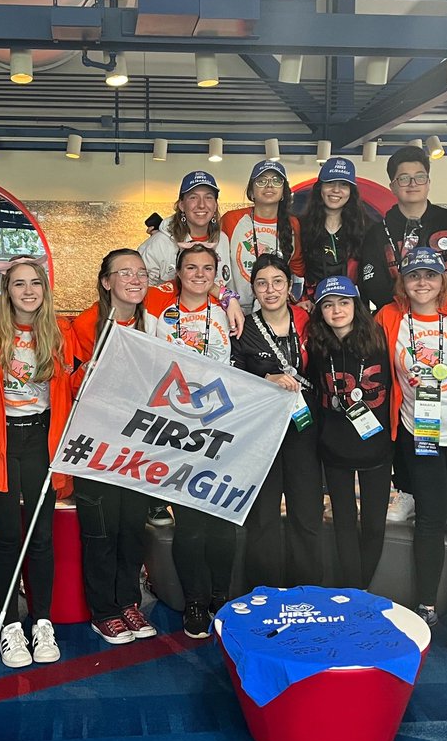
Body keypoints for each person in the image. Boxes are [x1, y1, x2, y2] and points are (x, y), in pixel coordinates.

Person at [375, 247, 447, 649]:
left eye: (429, 275)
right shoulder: (389, 316)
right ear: (402, 282)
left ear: (442, 279)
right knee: (427, 519)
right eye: (413, 276)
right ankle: (426, 605)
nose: (421, 283)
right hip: (418, 433)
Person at [0, 257, 76, 668]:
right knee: (9, 536)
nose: (28, 290)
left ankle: (42, 620)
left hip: (41, 438)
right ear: (6, 290)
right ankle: (10, 626)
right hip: (0, 438)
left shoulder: (60, 331)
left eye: (36, 283)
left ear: (45, 289)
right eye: (19, 284)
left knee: (42, 535)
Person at [70, 249, 162, 645]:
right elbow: (67, 384)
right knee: (101, 531)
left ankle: (127, 601)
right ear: (106, 281)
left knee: (131, 529)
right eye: (125, 273)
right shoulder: (83, 326)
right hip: (97, 447)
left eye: (141, 272)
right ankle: (103, 610)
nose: (135, 279)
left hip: (137, 447)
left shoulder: (153, 325)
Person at [146, 244, 234, 637]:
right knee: (191, 522)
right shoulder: (159, 313)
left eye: (208, 268)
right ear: (177, 273)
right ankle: (195, 602)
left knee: (222, 521)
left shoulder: (226, 314)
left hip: (219, 424)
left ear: (217, 274)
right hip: (175, 426)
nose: (199, 274)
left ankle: (221, 599)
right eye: (191, 267)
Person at [231, 253, 321, 588]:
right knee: (263, 517)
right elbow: (233, 375)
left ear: (289, 285)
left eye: (277, 282)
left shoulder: (309, 322)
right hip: (262, 431)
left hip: (304, 428)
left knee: (307, 514)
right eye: (262, 283)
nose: (270, 290)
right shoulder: (244, 327)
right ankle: (263, 590)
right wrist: (264, 381)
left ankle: (308, 587)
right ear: (253, 288)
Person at [307, 275, 393, 589]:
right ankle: (352, 588)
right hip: (335, 448)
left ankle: (363, 587)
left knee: (373, 524)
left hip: (377, 448)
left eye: (343, 302)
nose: (337, 310)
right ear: (320, 312)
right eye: (328, 305)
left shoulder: (381, 340)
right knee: (343, 523)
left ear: (356, 305)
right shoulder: (317, 347)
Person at [358, 144, 447, 311]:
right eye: (404, 178)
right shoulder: (377, 233)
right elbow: (373, 283)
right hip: (397, 321)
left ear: (428, 182)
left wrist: (444, 305)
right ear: (392, 186)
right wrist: (407, 311)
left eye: (420, 177)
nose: (413, 184)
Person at [139, 170, 242, 336]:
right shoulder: (159, 243)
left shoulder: (222, 240)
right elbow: (140, 292)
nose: (201, 205)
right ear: (181, 205)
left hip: (213, 329)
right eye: (193, 197)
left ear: (215, 205)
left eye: (208, 197)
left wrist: (228, 298)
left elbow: (224, 283)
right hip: (170, 330)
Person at [219, 160, 305, 313]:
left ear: (284, 192)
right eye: (261, 181)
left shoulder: (293, 224)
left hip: (275, 311)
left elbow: (297, 269)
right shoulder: (231, 219)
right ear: (251, 192)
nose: (269, 185)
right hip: (234, 310)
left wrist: (297, 300)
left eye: (276, 181)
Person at [300, 156, 369, 299]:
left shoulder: (364, 228)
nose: (336, 190)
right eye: (330, 183)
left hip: (352, 310)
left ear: (351, 191)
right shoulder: (302, 227)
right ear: (320, 188)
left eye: (343, 184)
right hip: (313, 308)